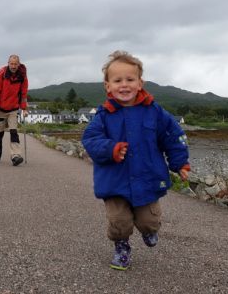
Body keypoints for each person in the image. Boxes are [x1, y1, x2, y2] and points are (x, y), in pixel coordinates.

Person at [81, 50, 190, 271]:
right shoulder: (103, 115)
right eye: (117, 80)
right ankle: (122, 247)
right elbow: (90, 139)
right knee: (119, 222)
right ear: (107, 86)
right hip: (114, 181)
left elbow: (173, 136)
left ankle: (150, 231)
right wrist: (111, 148)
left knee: (148, 221)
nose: (124, 85)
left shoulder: (155, 112)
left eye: (130, 79)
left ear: (140, 83)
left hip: (147, 178)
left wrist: (180, 163)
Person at [0, 54, 29, 166]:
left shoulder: (22, 76)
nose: (13, 66)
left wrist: (24, 109)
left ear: (19, 64)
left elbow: (23, 94)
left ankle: (15, 156)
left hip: (13, 109)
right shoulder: (0, 74)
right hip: (0, 109)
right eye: (11, 64)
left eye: (15, 64)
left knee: (14, 132)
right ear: (8, 63)